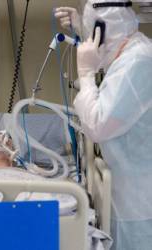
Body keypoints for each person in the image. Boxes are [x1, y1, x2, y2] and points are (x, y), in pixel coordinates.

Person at [55, 1, 152, 249]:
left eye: (94, 34)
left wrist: (86, 75)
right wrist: (84, 27)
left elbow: (98, 125)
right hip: (130, 191)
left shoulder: (138, 63)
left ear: (103, 31)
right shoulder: (131, 50)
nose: (91, 42)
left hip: (140, 206)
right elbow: (111, 58)